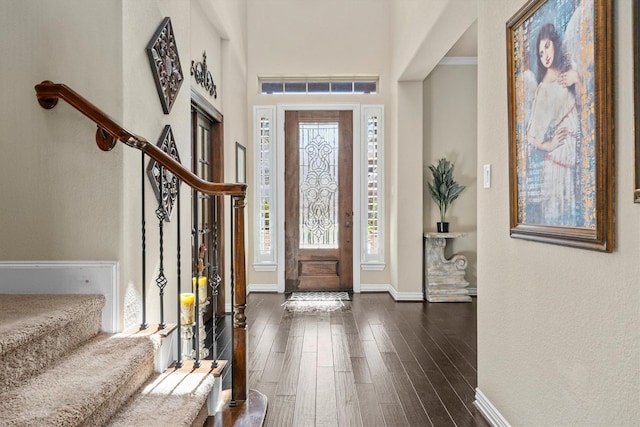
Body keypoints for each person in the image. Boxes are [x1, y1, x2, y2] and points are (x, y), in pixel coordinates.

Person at [526, 23, 581, 227]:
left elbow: (585, 104)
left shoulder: (569, 71)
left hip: (572, 159)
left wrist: (577, 79)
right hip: (557, 165)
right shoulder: (544, 90)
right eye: (540, 53)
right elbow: (532, 136)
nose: (545, 55)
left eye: (547, 47)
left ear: (555, 45)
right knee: (559, 222)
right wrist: (548, 145)